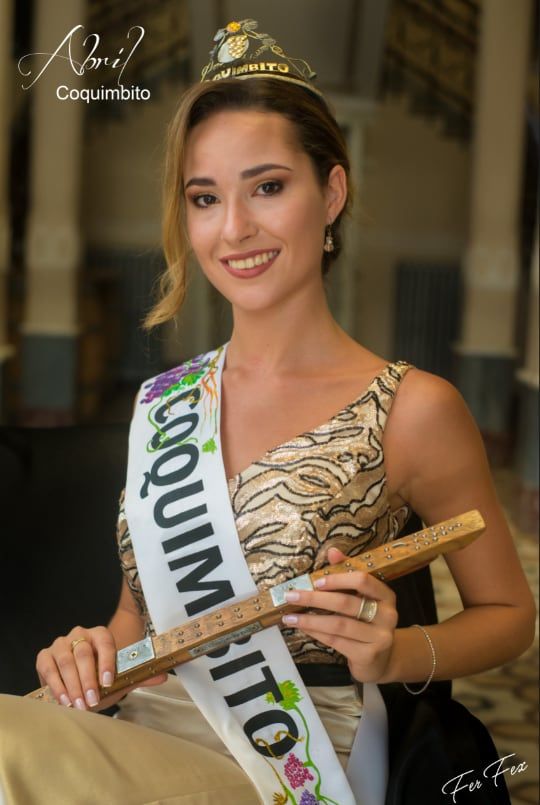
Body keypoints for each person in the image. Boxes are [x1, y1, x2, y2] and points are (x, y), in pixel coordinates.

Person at [0, 18, 535, 805]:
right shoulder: (166, 403)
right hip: (143, 724)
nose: (234, 228)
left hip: (293, 757)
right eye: (205, 197)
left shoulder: (414, 408)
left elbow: (510, 613)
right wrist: (90, 653)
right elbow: (135, 619)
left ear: (332, 193)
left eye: (269, 187)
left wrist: (394, 654)